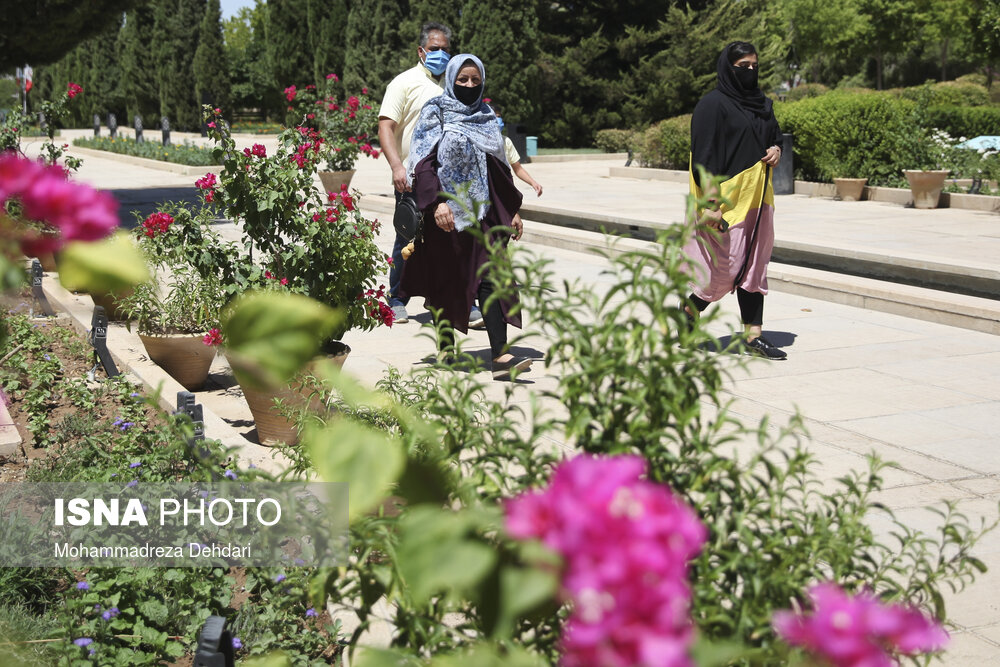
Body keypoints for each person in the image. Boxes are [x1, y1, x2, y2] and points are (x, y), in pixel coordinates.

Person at [401, 54, 531, 380]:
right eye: (463, 80)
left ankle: (501, 356)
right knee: (447, 282)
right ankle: (446, 347)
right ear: (451, 80)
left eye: (475, 80)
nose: (470, 86)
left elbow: (498, 168)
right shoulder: (437, 110)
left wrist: (511, 210)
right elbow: (422, 162)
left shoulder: (486, 116)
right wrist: (436, 204)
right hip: (446, 214)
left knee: (493, 279)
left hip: (485, 213)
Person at [683, 41, 787, 360]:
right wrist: (710, 204)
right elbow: (704, 156)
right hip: (725, 199)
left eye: (755, 66)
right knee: (723, 269)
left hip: (758, 197)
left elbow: (774, 135)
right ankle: (689, 309)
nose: (750, 72)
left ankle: (753, 335)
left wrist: (776, 149)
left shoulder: (762, 103)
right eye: (743, 67)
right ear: (729, 68)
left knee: (754, 265)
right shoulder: (712, 105)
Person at [378, 21, 453, 324]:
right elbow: (385, 126)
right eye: (435, 49)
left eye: (446, 50)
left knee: (447, 240)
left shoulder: (452, 86)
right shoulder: (404, 82)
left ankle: (447, 299)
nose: (441, 55)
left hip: (444, 178)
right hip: (410, 178)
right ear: (422, 51)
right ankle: (397, 298)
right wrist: (397, 166)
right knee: (407, 237)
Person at [487, 101, 543, 197]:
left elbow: (518, 169)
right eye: (493, 116)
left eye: (499, 116)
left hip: (503, 188)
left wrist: (533, 183)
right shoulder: (476, 142)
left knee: (513, 212)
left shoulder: (506, 142)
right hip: (485, 192)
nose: (497, 120)